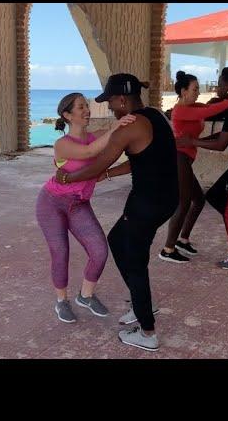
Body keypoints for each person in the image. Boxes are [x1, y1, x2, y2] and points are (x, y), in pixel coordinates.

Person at [55, 73, 178, 352]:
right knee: (118, 241)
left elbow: (98, 162)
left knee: (132, 258)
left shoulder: (130, 127)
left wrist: (69, 179)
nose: (109, 107)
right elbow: (139, 161)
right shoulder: (155, 116)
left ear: (122, 99)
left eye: (110, 101)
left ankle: (147, 332)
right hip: (166, 199)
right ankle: (141, 302)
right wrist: (108, 175)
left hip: (146, 203)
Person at [36, 93, 135, 323]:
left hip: (79, 204)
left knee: (99, 251)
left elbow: (112, 141)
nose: (87, 110)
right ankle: (61, 301)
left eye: (87, 106)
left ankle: (86, 295)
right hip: (52, 203)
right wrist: (114, 128)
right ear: (67, 115)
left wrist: (127, 123)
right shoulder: (62, 144)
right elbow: (89, 152)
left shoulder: (96, 136)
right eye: (81, 107)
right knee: (61, 252)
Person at [159, 71, 228, 264]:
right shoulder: (180, 110)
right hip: (178, 157)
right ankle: (168, 248)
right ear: (183, 91)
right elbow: (207, 112)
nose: (199, 92)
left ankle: (183, 240)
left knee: (199, 200)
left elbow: (212, 107)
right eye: (195, 89)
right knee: (184, 202)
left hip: (187, 158)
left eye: (199, 88)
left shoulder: (193, 106)